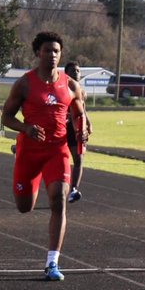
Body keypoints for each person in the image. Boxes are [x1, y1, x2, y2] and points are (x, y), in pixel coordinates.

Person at [1, 32, 88, 280]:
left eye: (56, 51)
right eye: (47, 50)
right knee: (24, 207)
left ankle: (52, 263)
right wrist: (25, 128)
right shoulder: (24, 84)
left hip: (56, 150)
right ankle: (28, 170)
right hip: (29, 151)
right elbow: (6, 117)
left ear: (61, 54)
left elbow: (79, 113)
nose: (52, 55)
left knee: (59, 199)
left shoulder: (70, 85)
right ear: (38, 53)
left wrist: (82, 129)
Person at [63, 60, 92, 203]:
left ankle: (73, 189)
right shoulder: (62, 88)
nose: (76, 73)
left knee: (79, 158)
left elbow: (82, 109)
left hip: (76, 129)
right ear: (66, 74)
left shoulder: (82, 91)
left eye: (78, 71)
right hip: (62, 128)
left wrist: (89, 124)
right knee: (56, 159)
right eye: (73, 70)